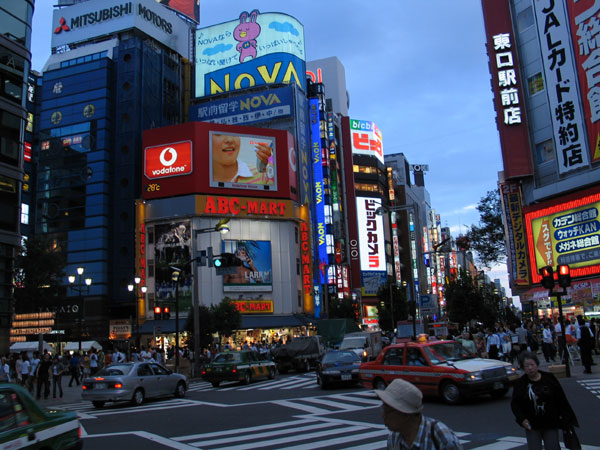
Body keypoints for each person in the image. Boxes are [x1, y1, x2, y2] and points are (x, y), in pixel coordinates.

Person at [511, 351, 578, 450]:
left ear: (537, 364)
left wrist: (566, 418)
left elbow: (561, 399)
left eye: (532, 365)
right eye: (526, 366)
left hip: (550, 422)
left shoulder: (549, 378)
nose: (530, 368)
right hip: (532, 424)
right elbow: (515, 404)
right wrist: (522, 419)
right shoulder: (521, 384)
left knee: (552, 446)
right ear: (522, 367)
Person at [376, 378, 463, 449]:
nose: (383, 415)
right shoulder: (394, 438)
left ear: (405, 414)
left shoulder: (440, 435)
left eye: (387, 411)